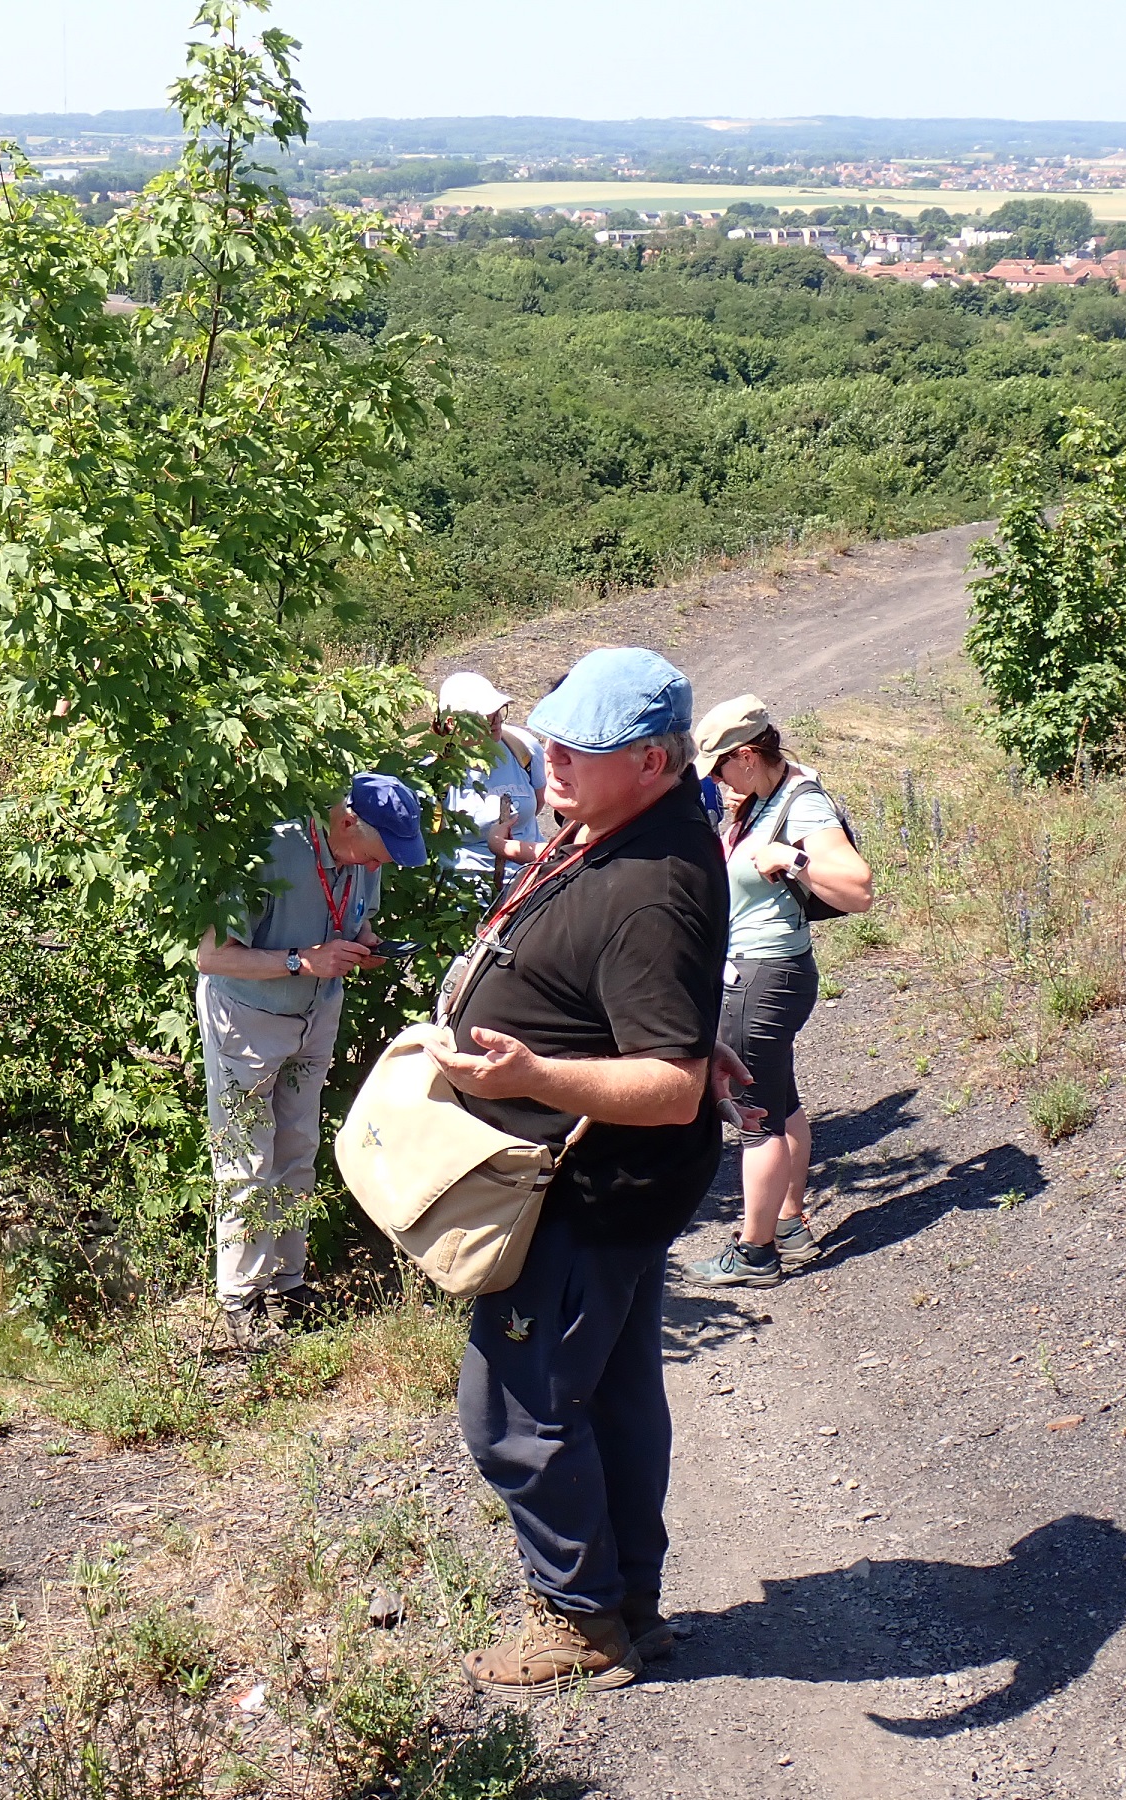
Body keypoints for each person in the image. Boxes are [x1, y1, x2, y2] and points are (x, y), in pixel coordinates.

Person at [422, 646, 737, 1693]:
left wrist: (535, 1072)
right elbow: (665, 1032)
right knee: (609, 1396)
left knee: (514, 1411)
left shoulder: (653, 884)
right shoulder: (625, 825)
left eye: (581, 747)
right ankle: (628, 1603)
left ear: (652, 761)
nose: (550, 757)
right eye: (552, 733)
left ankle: (581, 1621)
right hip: (611, 1186)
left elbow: (675, 1090)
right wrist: (679, 1032)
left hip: (587, 1191)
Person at [194, 773, 428, 1346]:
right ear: (347, 821)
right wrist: (304, 961)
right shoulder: (268, 850)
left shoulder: (359, 859)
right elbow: (211, 957)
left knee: (298, 1146)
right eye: (376, 856)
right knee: (246, 1155)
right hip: (248, 1020)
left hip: (316, 1014)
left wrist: (365, 947)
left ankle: (288, 1282)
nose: (376, 870)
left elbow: (357, 918)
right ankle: (240, 1298)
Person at [685, 694, 874, 1287]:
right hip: (768, 973)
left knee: (754, 1117)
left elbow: (858, 887)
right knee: (782, 1099)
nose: (716, 780)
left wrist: (787, 857)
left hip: (761, 977)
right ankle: (788, 1223)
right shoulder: (768, 797)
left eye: (719, 767)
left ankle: (755, 1251)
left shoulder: (802, 805)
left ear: (745, 755)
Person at [436, 671, 546, 886]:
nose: (496, 718)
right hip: (463, 892)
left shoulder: (522, 747)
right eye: (485, 713)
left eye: (497, 710)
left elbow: (539, 801)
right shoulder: (434, 772)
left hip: (529, 883)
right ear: (451, 722)